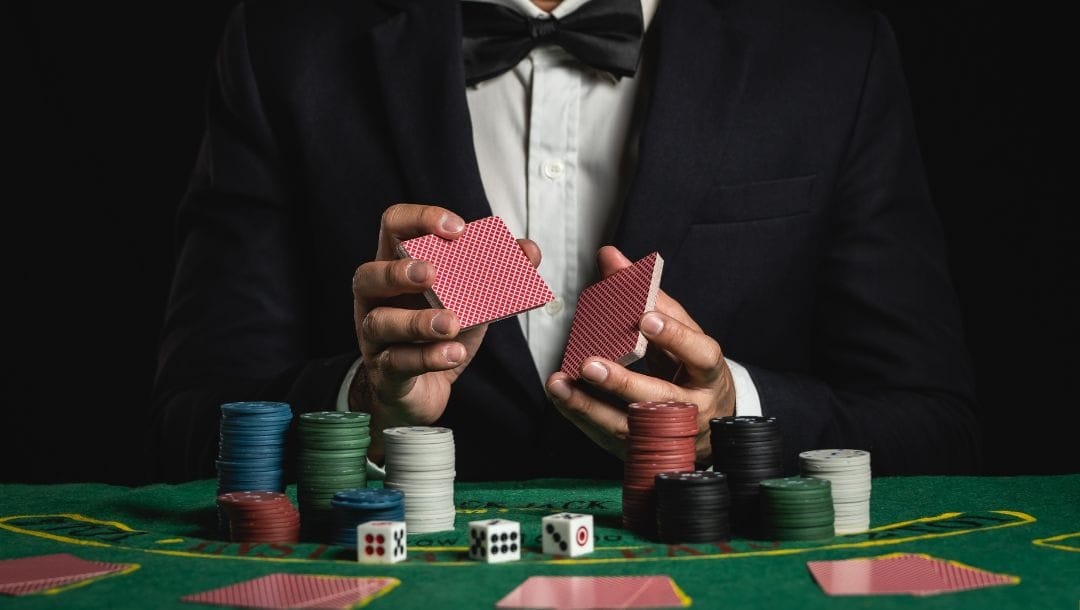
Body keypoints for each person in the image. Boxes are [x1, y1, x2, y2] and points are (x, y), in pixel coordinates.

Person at [151, 0, 981, 483]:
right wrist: (362, 409)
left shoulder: (833, 50)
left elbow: (935, 421)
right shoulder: (283, 43)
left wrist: (734, 416)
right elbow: (190, 419)